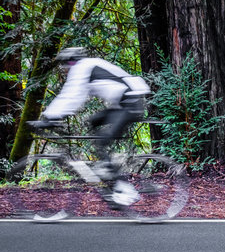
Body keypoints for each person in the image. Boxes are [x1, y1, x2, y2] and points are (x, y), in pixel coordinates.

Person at [40, 47, 151, 181]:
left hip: (130, 104)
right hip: (125, 104)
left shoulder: (82, 67)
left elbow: (71, 95)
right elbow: (76, 98)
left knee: (102, 139)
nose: (64, 69)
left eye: (65, 65)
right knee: (94, 121)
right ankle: (109, 163)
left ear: (71, 62)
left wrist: (50, 117)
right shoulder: (90, 65)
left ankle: (111, 170)